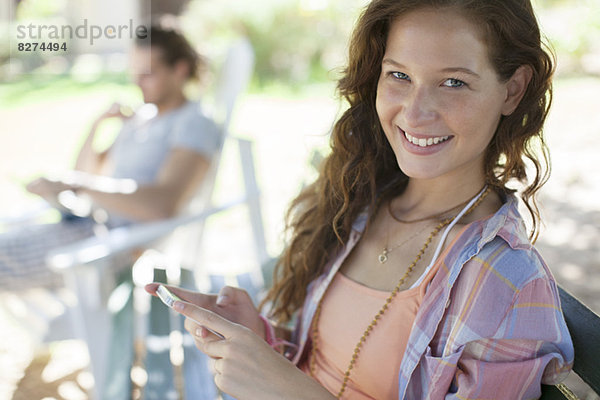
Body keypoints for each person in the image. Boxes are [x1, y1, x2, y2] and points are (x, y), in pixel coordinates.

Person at [146, 0, 574, 398]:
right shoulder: (361, 207)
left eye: (453, 82)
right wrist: (258, 338)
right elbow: (331, 369)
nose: (414, 111)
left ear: (513, 89)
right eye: (399, 75)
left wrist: (285, 389)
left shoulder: (506, 283)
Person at [0, 26, 222, 290]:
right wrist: (98, 125)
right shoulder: (141, 117)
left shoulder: (193, 123)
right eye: (134, 72)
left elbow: (162, 204)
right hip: (82, 226)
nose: (137, 82)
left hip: (108, 243)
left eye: (148, 73)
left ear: (180, 69)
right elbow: (84, 172)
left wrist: (75, 186)